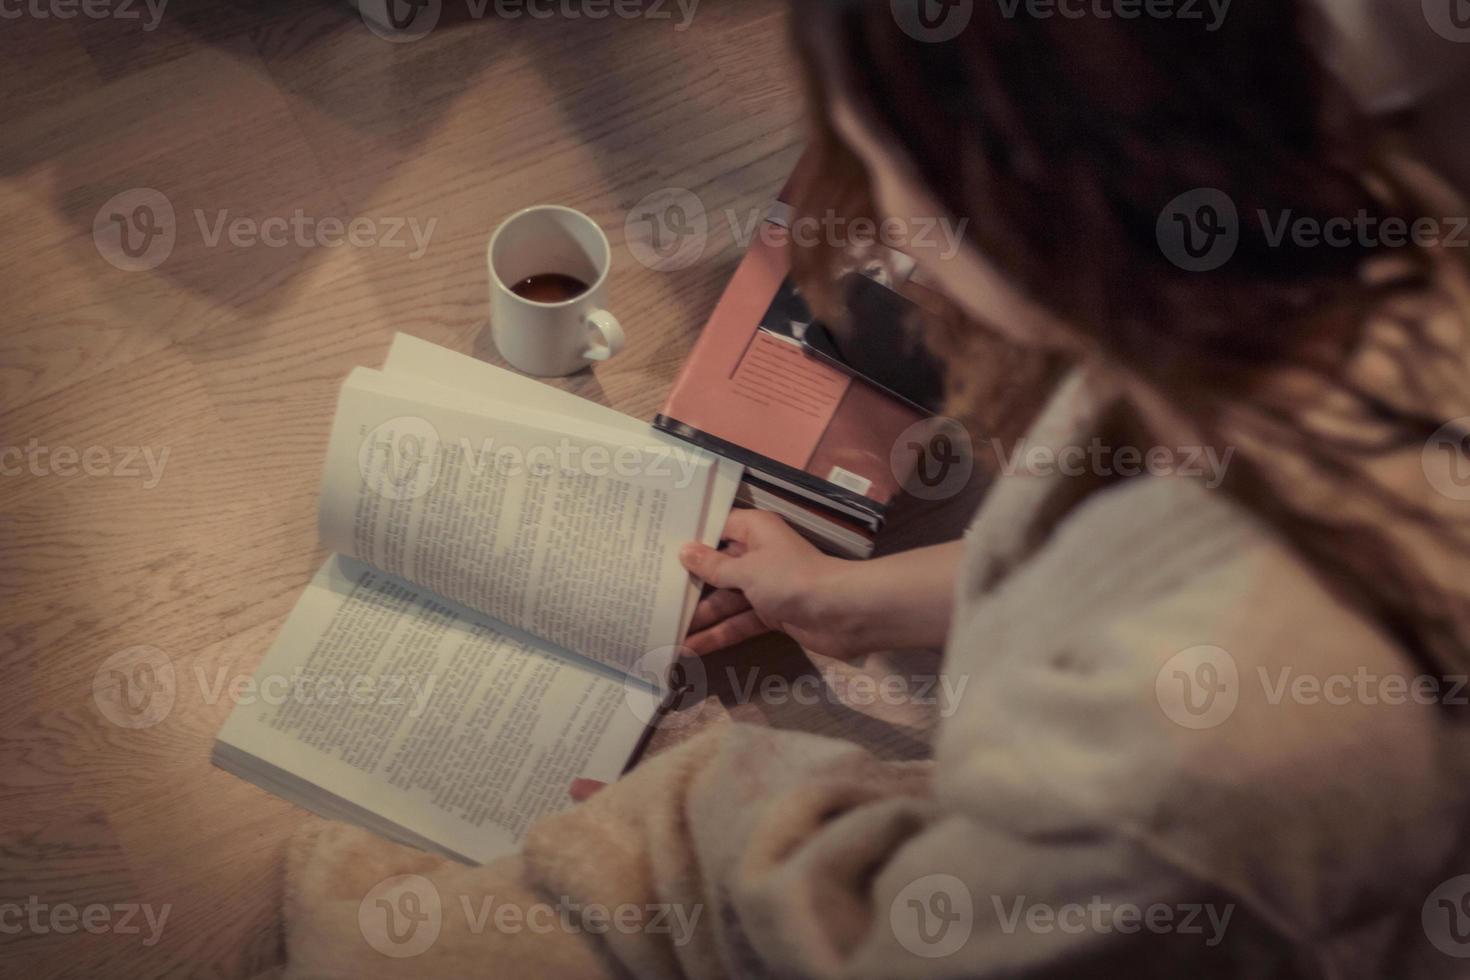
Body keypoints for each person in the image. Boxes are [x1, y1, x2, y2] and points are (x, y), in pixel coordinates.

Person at [284, 1, 1470, 976]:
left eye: (868, 160)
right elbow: (1106, 549)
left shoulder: (1178, 779)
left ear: (1001, 196)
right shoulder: (1337, 273)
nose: (865, 218)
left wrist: (695, 802)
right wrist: (852, 600)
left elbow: (894, 947)